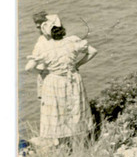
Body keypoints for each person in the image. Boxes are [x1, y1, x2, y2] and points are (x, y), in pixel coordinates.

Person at [26, 14, 96, 148]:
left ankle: (63, 145)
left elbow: (29, 67)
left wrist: (41, 72)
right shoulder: (72, 41)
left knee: (58, 112)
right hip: (73, 78)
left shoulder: (43, 46)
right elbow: (93, 51)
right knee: (75, 109)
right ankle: (80, 144)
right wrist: (78, 65)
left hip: (54, 80)